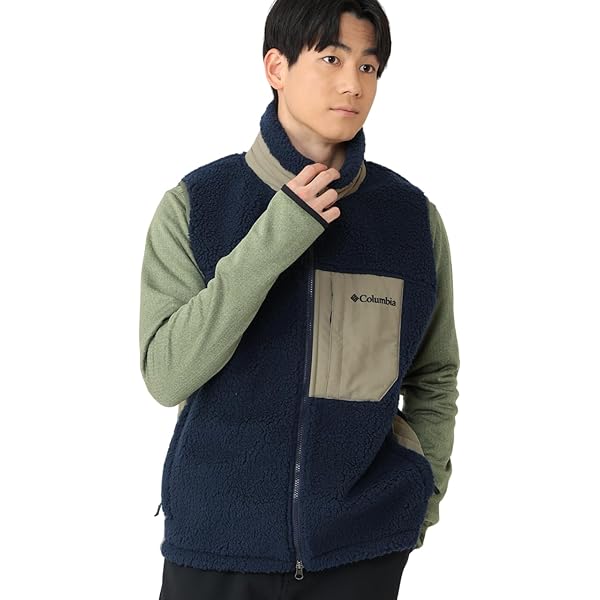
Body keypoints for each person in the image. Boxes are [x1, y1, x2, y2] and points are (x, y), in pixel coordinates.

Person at [139, 1, 460, 598]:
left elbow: (434, 376)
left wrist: (420, 498)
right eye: (332, 59)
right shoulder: (197, 205)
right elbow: (166, 376)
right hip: (214, 551)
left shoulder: (411, 220)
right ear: (276, 67)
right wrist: (279, 232)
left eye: (368, 66)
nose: (353, 83)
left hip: (359, 555)